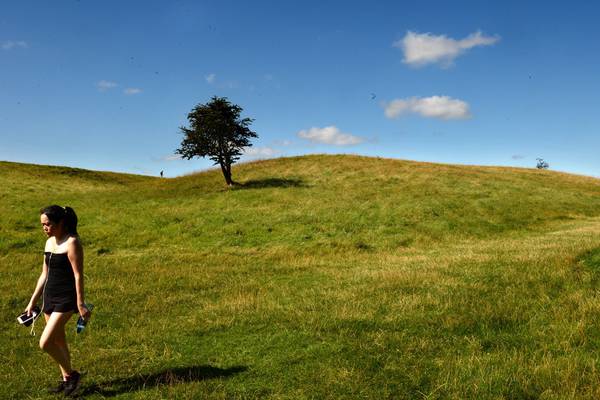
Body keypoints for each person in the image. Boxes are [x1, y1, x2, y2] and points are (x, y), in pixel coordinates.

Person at [24, 205, 91, 396]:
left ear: (61, 222)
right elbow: (44, 275)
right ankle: (67, 381)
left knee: (45, 342)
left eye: (48, 224)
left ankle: (72, 375)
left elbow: (78, 275)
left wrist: (80, 304)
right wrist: (32, 301)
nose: (45, 228)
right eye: (43, 225)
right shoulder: (49, 243)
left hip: (66, 299)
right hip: (49, 298)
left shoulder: (72, 243)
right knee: (59, 342)